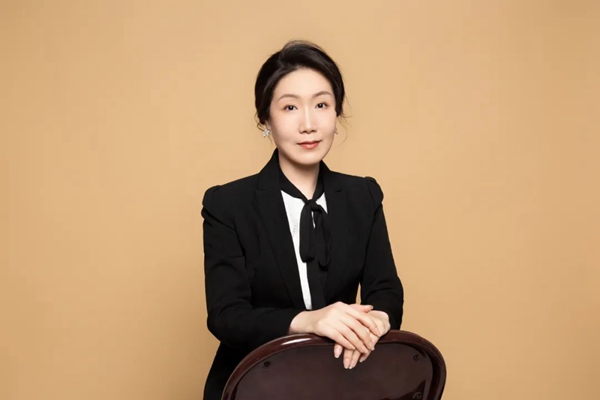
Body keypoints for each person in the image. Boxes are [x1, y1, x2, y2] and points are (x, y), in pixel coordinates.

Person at [201, 40, 404, 400]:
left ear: (336, 112)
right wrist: (310, 320)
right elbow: (226, 315)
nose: (309, 124)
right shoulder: (228, 204)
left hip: (343, 382)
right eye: (290, 107)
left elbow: (385, 290)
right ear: (266, 119)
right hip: (254, 386)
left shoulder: (363, 196)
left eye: (321, 105)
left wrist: (374, 323)